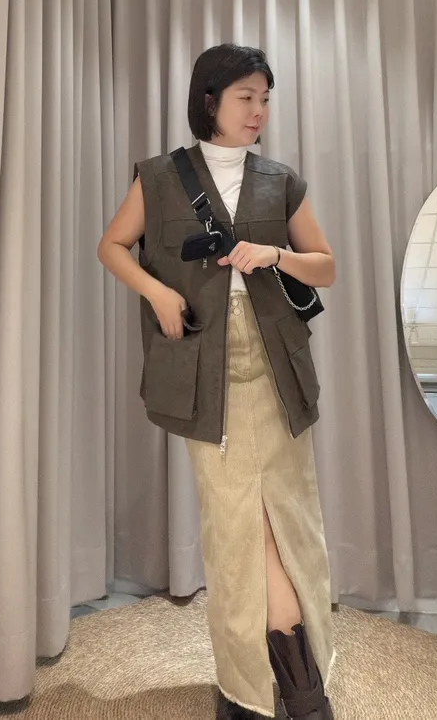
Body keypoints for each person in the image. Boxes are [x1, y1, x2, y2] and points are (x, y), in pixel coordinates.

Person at [98, 44, 336, 720]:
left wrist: (277, 254)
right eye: (245, 98)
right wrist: (158, 293)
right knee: (238, 529)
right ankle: (276, 689)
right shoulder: (159, 177)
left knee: (287, 521)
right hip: (204, 371)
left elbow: (325, 267)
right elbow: (112, 246)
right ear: (211, 102)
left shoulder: (279, 181)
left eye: (265, 98)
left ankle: (281, 687)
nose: (259, 111)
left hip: (275, 368)